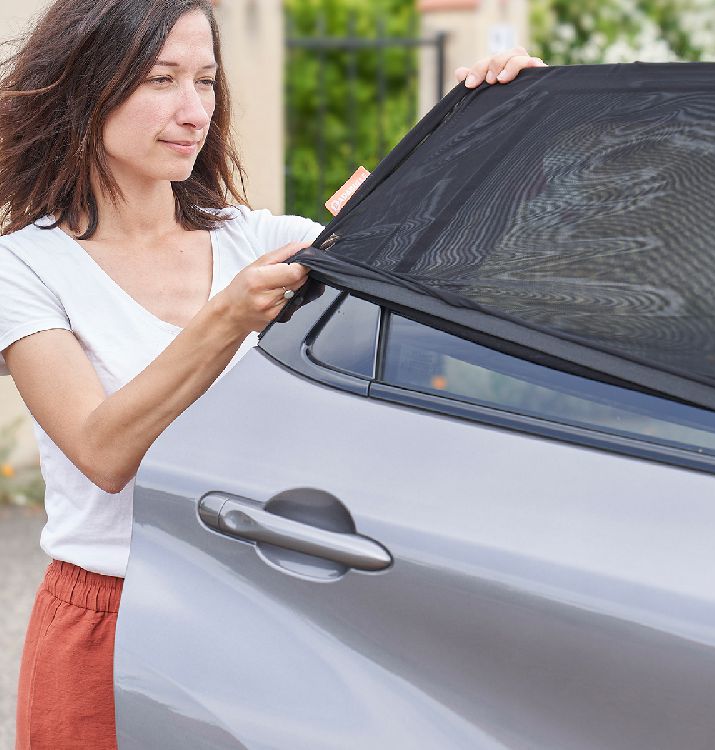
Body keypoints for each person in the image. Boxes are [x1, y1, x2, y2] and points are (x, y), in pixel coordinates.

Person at [0, 1, 545, 748]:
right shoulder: (25, 265)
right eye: (161, 80)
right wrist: (228, 317)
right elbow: (101, 451)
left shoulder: (263, 240)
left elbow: (460, 286)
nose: (193, 111)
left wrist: (517, 135)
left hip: (268, 612)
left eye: (207, 81)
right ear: (86, 86)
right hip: (112, 617)